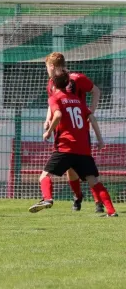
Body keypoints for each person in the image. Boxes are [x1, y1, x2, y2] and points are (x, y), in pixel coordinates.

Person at [29, 71, 117, 217]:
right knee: (94, 181)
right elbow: (92, 119)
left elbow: (57, 115)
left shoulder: (55, 98)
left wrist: (49, 131)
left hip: (65, 147)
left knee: (44, 176)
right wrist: (100, 140)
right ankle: (111, 211)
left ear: (54, 84)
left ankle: (48, 198)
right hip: (83, 149)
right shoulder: (77, 100)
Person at [44, 52, 104, 213]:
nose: (47, 72)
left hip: (79, 131)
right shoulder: (51, 83)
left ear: (51, 66)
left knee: (86, 167)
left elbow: (96, 90)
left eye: (47, 68)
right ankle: (78, 197)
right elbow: (53, 103)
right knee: (71, 168)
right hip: (62, 130)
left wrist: (91, 111)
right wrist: (47, 119)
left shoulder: (77, 78)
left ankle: (98, 202)